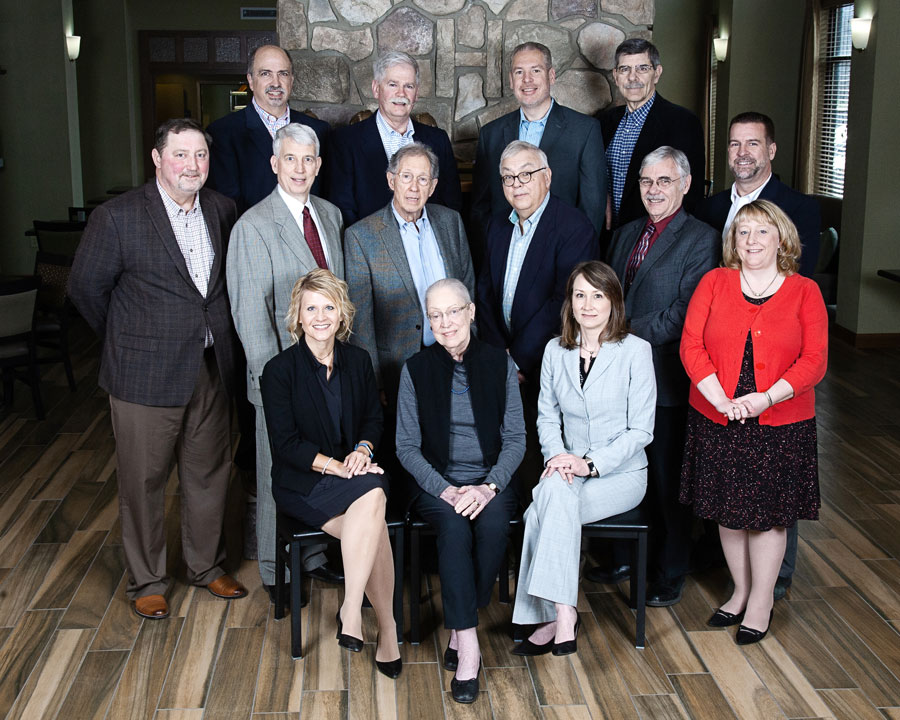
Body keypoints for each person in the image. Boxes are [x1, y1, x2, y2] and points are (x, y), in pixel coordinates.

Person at [68, 118, 247, 619]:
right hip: (143, 375)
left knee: (208, 474)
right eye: (180, 154)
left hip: (210, 366)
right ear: (157, 159)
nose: (192, 165)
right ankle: (147, 580)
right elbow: (85, 289)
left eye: (200, 155)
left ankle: (206, 567)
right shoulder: (118, 217)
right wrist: (129, 340)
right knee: (143, 482)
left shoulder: (222, 209)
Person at [679, 200, 827, 645]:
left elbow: (814, 360)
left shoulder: (805, 291)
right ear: (733, 240)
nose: (751, 240)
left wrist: (765, 398)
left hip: (779, 420)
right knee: (728, 512)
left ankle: (761, 601)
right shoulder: (714, 282)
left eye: (762, 231)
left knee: (767, 518)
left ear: (781, 239)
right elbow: (690, 345)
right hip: (718, 414)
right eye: (743, 232)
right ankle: (740, 591)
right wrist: (720, 400)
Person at [590, 146, 720, 606]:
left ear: (685, 184)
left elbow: (685, 314)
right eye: (647, 182)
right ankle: (627, 557)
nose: (654, 190)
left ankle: (670, 571)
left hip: (666, 381)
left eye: (664, 181)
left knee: (667, 481)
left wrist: (616, 332)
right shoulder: (626, 233)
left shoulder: (702, 239)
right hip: (618, 379)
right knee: (623, 471)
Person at [259, 269, 402, 678]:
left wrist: (362, 450)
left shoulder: (357, 360)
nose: (320, 317)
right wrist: (336, 466)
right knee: (374, 506)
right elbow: (286, 445)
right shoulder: (279, 370)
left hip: (356, 472)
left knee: (371, 496)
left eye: (328, 307)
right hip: (304, 482)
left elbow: (373, 419)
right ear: (297, 317)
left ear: (342, 314)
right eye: (311, 309)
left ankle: (353, 610)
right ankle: (383, 628)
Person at [511, 261, 656, 655]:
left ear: (614, 301)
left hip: (621, 476)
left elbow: (641, 431)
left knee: (540, 510)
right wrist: (558, 457)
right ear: (570, 302)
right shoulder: (554, 351)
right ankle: (564, 612)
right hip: (567, 470)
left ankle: (549, 616)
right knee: (554, 497)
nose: (588, 305)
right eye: (580, 295)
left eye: (597, 295)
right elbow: (546, 416)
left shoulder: (636, 351)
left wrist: (588, 465)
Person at [227, 123, 345, 603]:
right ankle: (276, 571)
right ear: (275, 164)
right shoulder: (253, 226)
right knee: (278, 473)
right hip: (281, 380)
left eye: (308, 159)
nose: (300, 168)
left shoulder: (331, 215)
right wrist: (275, 387)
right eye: (290, 159)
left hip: (329, 373)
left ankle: (314, 557)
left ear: (318, 165)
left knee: (322, 469)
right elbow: (251, 319)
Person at [396, 278, 525, 704]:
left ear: (470, 312)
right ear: (429, 321)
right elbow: (406, 447)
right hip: (436, 482)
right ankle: (468, 645)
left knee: (493, 528)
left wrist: (489, 487)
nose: (445, 322)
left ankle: (459, 622)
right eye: (436, 315)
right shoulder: (415, 370)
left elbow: (516, 439)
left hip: (491, 478)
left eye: (453, 311)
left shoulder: (499, 363)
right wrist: (445, 489)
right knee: (453, 530)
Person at [476, 140, 598, 482]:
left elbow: (565, 300)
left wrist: (517, 359)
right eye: (508, 177)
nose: (517, 184)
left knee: (544, 464)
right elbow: (485, 293)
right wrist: (498, 356)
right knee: (504, 457)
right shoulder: (496, 225)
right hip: (501, 364)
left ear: (547, 176)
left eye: (526, 174)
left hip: (546, 366)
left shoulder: (574, 227)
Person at [344, 142, 474, 409]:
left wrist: (469, 349)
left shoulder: (451, 222)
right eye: (406, 177)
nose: (414, 187)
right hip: (397, 368)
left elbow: (467, 286)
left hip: (455, 358)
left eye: (422, 179)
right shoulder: (361, 236)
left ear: (433, 186)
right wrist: (375, 381)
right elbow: (361, 319)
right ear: (391, 180)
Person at [470, 42, 607, 257]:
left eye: (536, 70)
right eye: (519, 72)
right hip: (505, 254)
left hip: (562, 255)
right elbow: (480, 208)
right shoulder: (491, 134)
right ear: (511, 80)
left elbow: (593, 209)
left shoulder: (585, 130)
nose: (527, 80)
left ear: (551, 76)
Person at [327, 51, 462, 226]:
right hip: (371, 241)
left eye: (409, 86)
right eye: (393, 84)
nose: (401, 93)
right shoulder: (345, 141)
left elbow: (451, 207)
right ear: (376, 89)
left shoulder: (438, 140)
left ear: (416, 93)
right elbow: (343, 212)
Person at [695, 111, 821, 278]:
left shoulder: (800, 209)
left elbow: (798, 277)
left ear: (771, 151)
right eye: (735, 144)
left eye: (752, 144)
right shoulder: (706, 208)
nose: (742, 152)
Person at [207, 44, 330, 214]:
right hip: (252, 229)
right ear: (251, 80)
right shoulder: (223, 133)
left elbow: (325, 195)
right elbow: (227, 203)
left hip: (308, 228)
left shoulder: (320, 131)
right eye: (266, 74)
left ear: (292, 80)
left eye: (283, 74)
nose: (276, 83)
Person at [600, 39, 704, 232]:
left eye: (642, 68)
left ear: (657, 73)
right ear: (615, 76)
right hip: (605, 236)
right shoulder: (603, 121)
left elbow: (691, 193)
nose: (632, 77)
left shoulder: (682, 122)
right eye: (624, 69)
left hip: (653, 236)